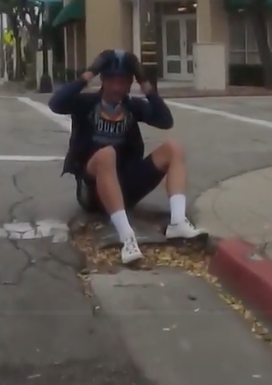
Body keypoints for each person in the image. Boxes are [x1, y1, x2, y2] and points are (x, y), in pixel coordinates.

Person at [48, 49, 202, 264]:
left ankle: (178, 221)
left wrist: (143, 80)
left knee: (173, 148)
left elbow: (165, 120)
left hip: (126, 186)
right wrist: (90, 72)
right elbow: (56, 103)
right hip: (93, 191)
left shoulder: (131, 107)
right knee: (107, 154)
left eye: (124, 82)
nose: (118, 88)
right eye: (113, 81)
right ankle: (127, 237)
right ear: (104, 80)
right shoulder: (86, 104)